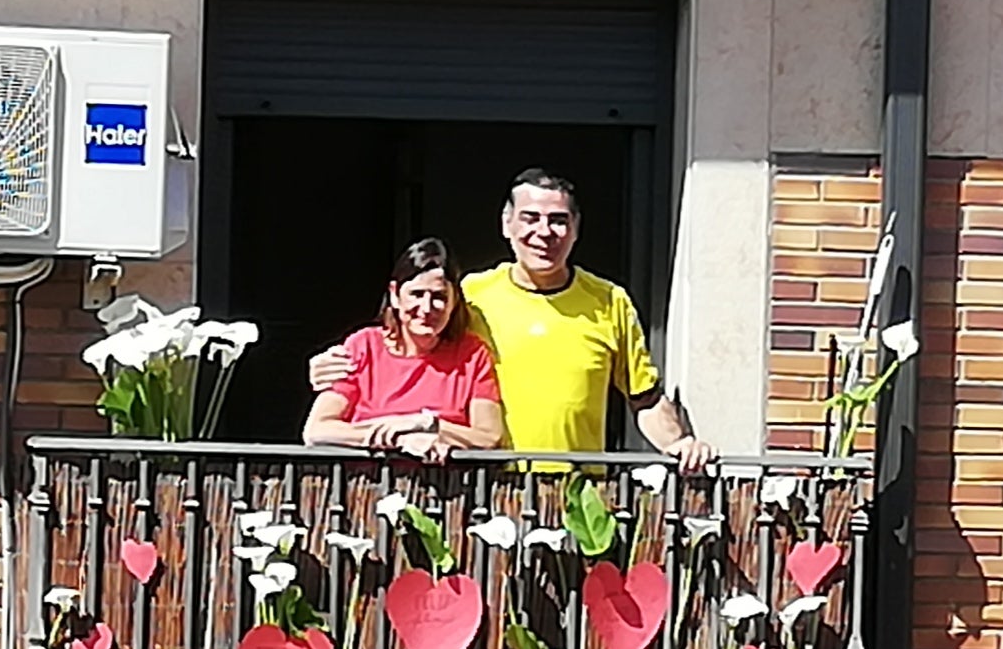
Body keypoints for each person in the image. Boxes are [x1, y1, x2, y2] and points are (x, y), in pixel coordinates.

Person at [309, 168, 711, 473]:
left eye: (558, 220)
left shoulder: (609, 301)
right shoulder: (471, 294)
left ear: (575, 230)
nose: (544, 232)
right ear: (507, 225)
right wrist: (333, 367)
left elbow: (645, 399)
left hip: (578, 491)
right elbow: (411, 346)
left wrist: (681, 445)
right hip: (484, 488)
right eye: (530, 218)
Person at [302, 237, 503, 462]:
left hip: (447, 488)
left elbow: (489, 437)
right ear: (395, 295)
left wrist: (426, 424)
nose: (426, 308)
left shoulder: (471, 354)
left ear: (454, 301)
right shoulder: (364, 346)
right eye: (417, 294)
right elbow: (317, 430)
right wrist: (399, 436)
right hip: (366, 486)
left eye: (439, 297)